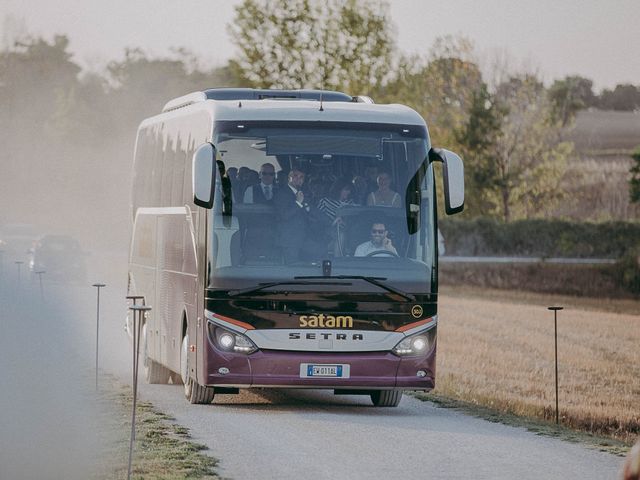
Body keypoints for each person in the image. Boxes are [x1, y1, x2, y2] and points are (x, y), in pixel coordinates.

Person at [273, 169, 322, 263]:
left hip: (304, 238)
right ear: (289, 178)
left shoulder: (303, 193)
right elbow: (284, 215)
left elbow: (313, 210)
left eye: (301, 177)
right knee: (292, 270)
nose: (298, 179)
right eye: (295, 176)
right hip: (289, 240)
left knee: (318, 254)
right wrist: (298, 203)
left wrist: (332, 220)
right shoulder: (281, 193)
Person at [317, 178, 357, 255]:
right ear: (338, 189)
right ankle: (338, 262)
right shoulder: (324, 202)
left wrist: (345, 223)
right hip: (327, 235)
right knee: (340, 235)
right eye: (346, 189)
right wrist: (333, 222)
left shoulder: (351, 204)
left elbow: (355, 223)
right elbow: (317, 221)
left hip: (348, 235)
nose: (348, 192)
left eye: (349, 190)